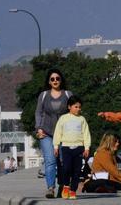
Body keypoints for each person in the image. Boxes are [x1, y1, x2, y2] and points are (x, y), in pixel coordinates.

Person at [35, 69, 73, 199]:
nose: (55, 81)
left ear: (61, 80)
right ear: (49, 81)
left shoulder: (68, 95)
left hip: (64, 134)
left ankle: (63, 185)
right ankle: (50, 188)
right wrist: (39, 128)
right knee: (50, 160)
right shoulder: (44, 95)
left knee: (63, 161)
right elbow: (38, 112)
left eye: (57, 78)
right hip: (47, 133)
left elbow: (74, 112)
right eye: (52, 79)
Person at [53, 95, 91, 200]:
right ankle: (66, 186)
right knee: (66, 168)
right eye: (76, 107)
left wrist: (87, 147)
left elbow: (86, 134)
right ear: (69, 106)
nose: (78, 109)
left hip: (79, 147)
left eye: (79, 107)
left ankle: (73, 190)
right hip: (66, 147)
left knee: (77, 170)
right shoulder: (63, 118)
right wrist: (56, 146)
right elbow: (58, 133)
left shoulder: (82, 119)